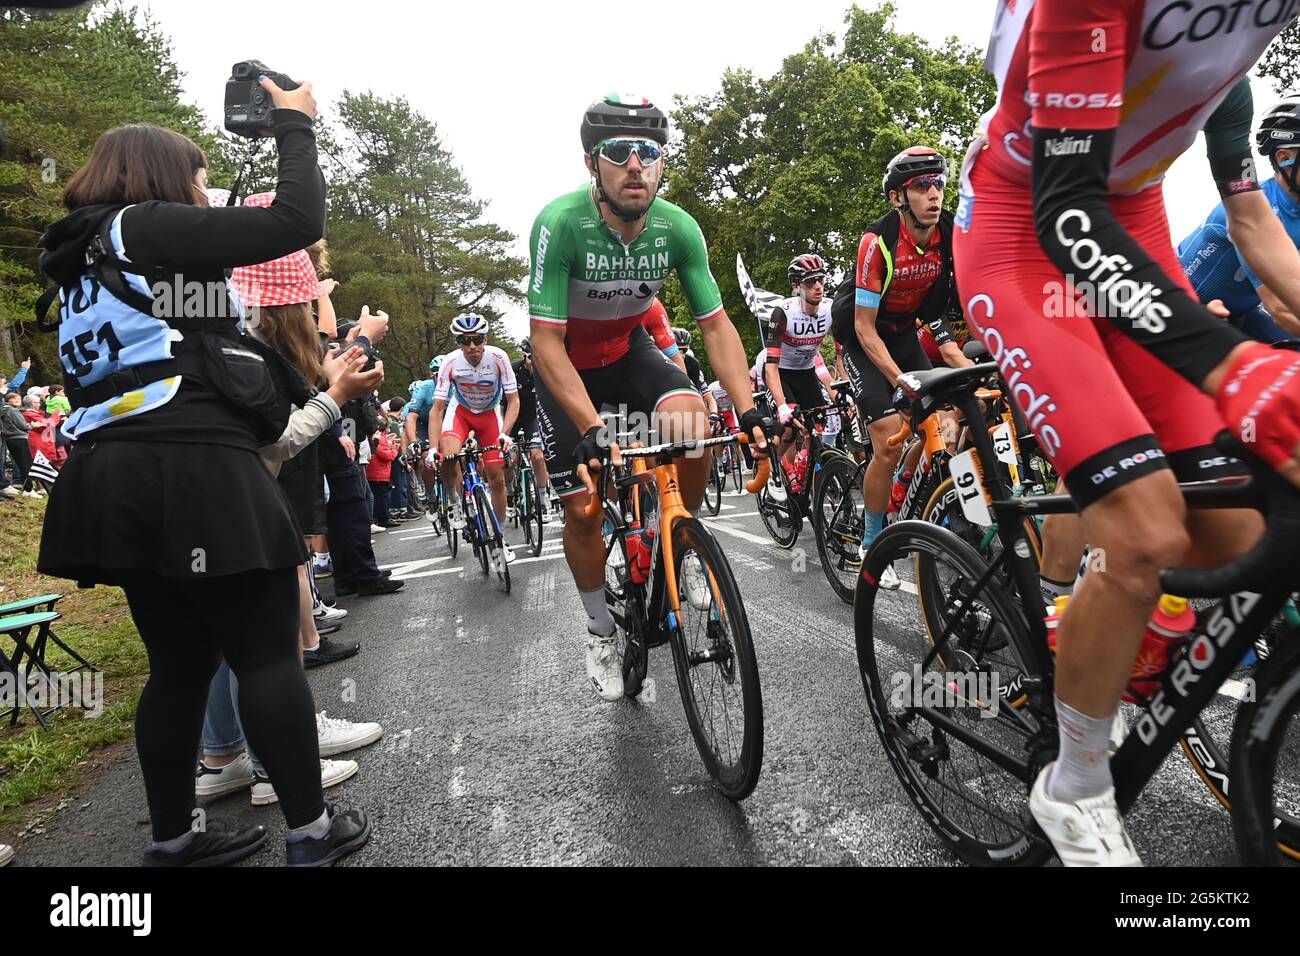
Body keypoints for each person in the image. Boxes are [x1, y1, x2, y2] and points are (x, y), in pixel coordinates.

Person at [953, 0, 1300, 865]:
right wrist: (1234, 365)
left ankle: (1108, 636)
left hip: (1133, 223)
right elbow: (1065, 210)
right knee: (1144, 527)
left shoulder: (1237, 86)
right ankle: (1074, 786)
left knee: (1233, 530)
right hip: (1023, 230)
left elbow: (1254, 221)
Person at [34, 77, 369, 866]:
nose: (201, 189)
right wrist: (295, 124)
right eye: (194, 175)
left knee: (178, 665)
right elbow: (297, 223)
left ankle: (173, 839)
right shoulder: (145, 227)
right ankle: (312, 831)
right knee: (263, 653)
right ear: (157, 178)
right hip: (193, 465)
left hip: (111, 469)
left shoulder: (81, 253)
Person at [528, 93, 766, 701]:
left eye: (650, 152)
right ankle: (600, 629)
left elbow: (715, 326)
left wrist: (749, 409)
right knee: (583, 507)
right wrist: (590, 428)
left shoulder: (678, 228)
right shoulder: (560, 224)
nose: (635, 164)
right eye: (618, 151)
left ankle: (676, 537)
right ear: (593, 163)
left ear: (662, 163)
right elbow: (546, 345)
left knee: (694, 422)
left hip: (628, 351)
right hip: (567, 369)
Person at [838, 146, 967, 581]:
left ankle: (909, 489)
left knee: (956, 413)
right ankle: (871, 540)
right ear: (898, 197)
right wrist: (900, 380)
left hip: (906, 330)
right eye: (921, 186)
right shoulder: (877, 243)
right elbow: (865, 328)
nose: (935, 193)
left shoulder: (950, 232)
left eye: (939, 183)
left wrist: (964, 363)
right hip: (863, 336)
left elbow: (941, 321)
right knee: (886, 437)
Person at [1177, 93, 1300, 343]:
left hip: (1238, 315)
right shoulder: (1255, 208)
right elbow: (1282, 309)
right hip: (1178, 309)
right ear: (1285, 158)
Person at [430, 312, 519, 566]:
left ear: (485, 338)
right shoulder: (450, 362)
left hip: (490, 415)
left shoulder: (499, 357)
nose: (472, 346)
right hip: (460, 414)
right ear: (458, 342)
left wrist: (505, 433)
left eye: (477, 339)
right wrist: (431, 449)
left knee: (497, 478)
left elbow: (513, 401)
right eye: (465, 340)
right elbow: (437, 409)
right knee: (448, 456)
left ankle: (500, 537)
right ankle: (455, 500)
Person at [507, 338, 553, 521]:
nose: (533, 362)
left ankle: (542, 501)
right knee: (510, 459)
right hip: (512, 417)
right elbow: (502, 403)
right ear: (523, 357)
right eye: (529, 358)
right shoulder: (512, 370)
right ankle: (510, 496)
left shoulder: (546, 372)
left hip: (532, 418)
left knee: (538, 455)